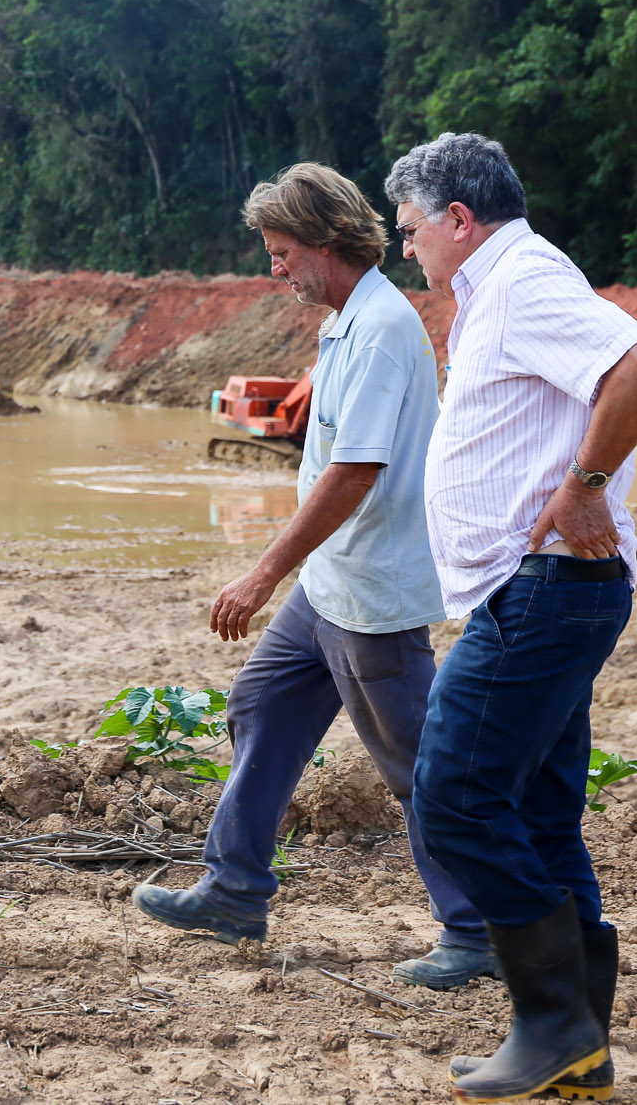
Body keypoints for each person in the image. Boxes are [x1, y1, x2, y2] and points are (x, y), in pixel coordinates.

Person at [131, 162, 494, 990]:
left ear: (329, 245)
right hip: (332, 584)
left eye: (283, 250)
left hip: (370, 595)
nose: (275, 268)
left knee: (417, 766)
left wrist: (262, 572)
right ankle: (233, 891)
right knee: (261, 703)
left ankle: (475, 931)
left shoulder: (380, 330)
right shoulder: (346, 322)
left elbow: (353, 472)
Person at [386, 133, 637, 1104]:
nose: (406, 251)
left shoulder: (520, 280)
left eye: (411, 230)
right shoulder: (494, 291)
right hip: (539, 589)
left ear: (458, 220)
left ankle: (552, 1024)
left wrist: (584, 486)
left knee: (453, 797)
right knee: (540, 813)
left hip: (545, 586)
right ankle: (576, 1048)